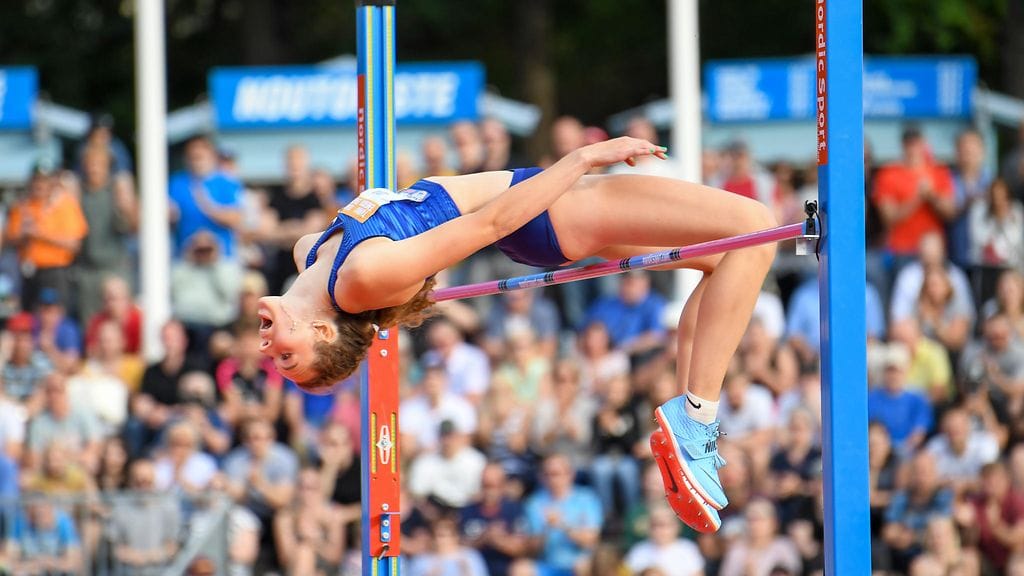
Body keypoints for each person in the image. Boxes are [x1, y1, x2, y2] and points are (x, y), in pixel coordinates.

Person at [256, 137, 778, 532]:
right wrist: (582, 158)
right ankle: (695, 418)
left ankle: (687, 428)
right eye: (286, 358)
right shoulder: (361, 278)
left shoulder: (311, 258)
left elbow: (332, 271)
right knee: (756, 229)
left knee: (724, 262)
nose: (267, 350)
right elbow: (489, 225)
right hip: (546, 210)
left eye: (278, 360)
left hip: (541, 214)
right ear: (321, 331)